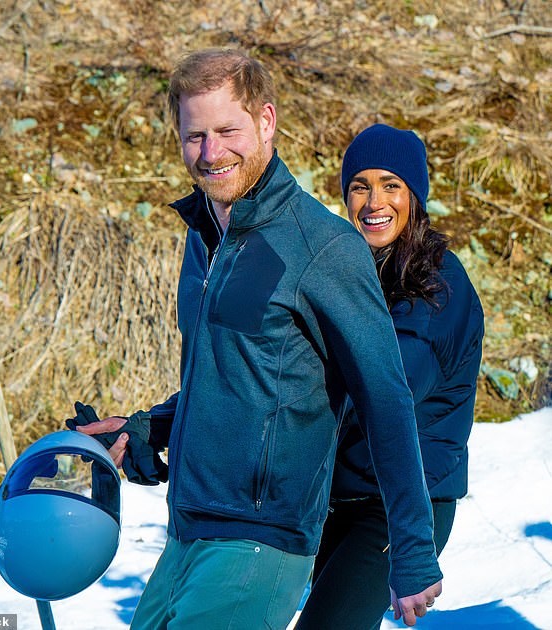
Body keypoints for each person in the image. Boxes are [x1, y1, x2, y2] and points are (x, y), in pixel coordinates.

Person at [68, 50, 443, 629]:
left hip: (260, 543)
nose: (211, 153)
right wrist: (148, 427)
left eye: (227, 130)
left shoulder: (322, 246)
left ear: (266, 122)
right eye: (195, 136)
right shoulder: (203, 239)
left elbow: (385, 398)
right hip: (186, 533)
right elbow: (232, 377)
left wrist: (413, 550)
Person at [296, 124, 485, 630]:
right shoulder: (349, 274)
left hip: (400, 505)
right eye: (360, 185)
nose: (373, 200)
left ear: (415, 196)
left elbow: (387, 387)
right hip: (337, 496)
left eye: (391, 185)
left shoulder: (439, 285)